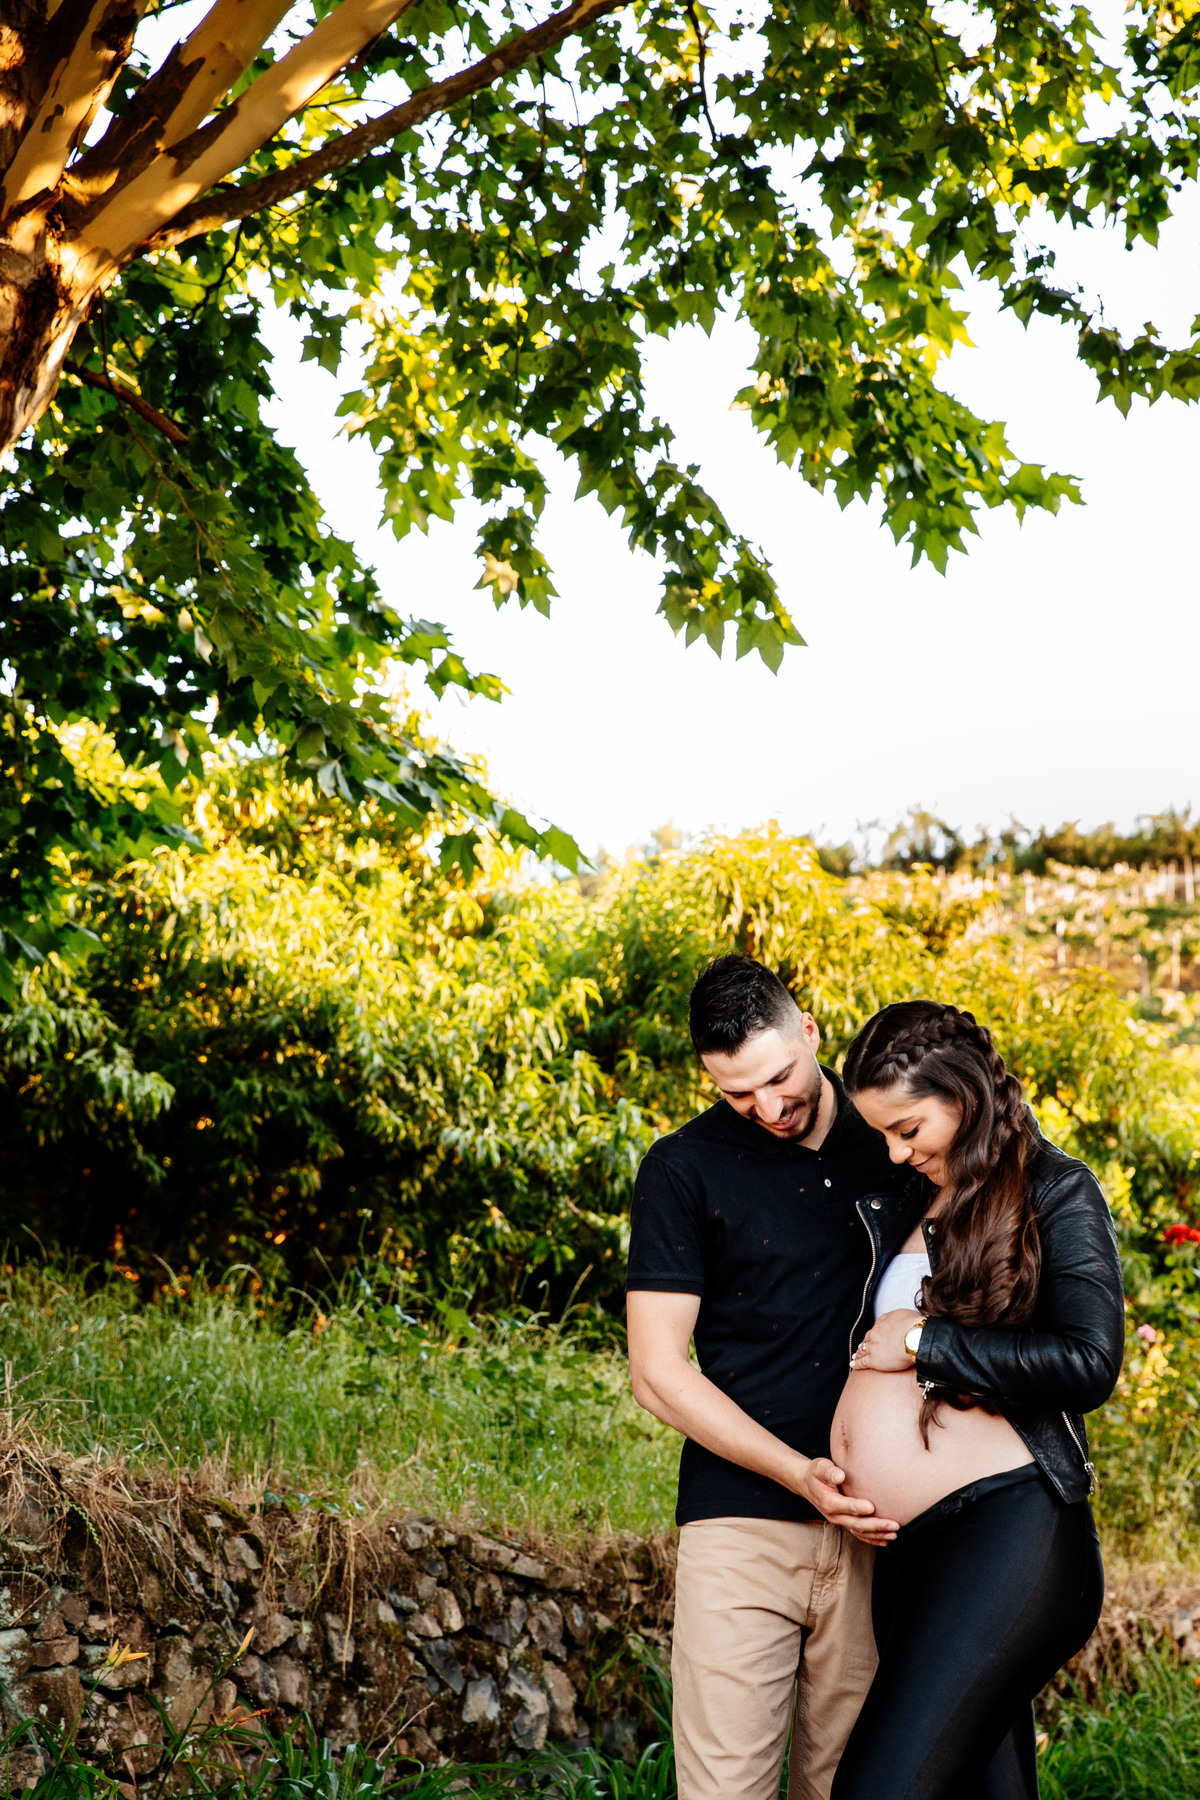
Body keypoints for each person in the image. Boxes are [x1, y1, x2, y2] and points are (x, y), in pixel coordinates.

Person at [626, 955, 906, 1800]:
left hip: (885, 1530)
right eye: (737, 1092)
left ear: (810, 1031)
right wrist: (795, 1472)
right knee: (723, 1791)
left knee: (850, 1787)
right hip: (740, 1526)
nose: (769, 1108)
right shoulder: (682, 1168)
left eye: (780, 1077)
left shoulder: (895, 1139)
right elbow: (655, 1371)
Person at [829, 999, 1125, 1800]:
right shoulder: (896, 1201)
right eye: (881, 1134)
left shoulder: (1055, 1189)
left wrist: (926, 1342)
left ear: (961, 1095)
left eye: (908, 1128)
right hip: (908, 1551)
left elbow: (1090, 1360)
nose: (893, 1152)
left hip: (1009, 1532)